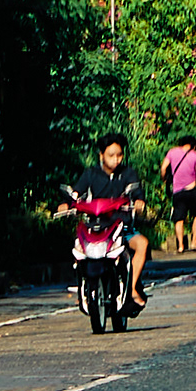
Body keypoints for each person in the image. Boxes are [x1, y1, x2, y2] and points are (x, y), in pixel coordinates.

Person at [68, 135, 150, 315]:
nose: (116, 159)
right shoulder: (90, 174)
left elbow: (137, 192)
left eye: (119, 155)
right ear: (101, 155)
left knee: (142, 244)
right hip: (95, 229)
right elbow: (75, 193)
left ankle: (132, 288)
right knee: (78, 249)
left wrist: (139, 202)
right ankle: (84, 288)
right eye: (111, 155)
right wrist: (66, 204)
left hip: (122, 228)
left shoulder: (128, 174)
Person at [160, 135, 196, 254]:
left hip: (177, 191)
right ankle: (194, 242)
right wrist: (193, 175)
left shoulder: (172, 152)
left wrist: (165, 179)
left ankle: (180, 246)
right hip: (191, 189)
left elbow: (163, 168)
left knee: (179, 219)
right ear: (193, 146)